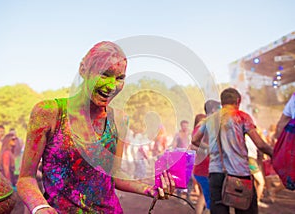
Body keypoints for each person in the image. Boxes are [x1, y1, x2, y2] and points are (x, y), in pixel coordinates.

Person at [16, 41, 175, 213]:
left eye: (120, 78)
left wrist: (148, 189)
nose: (112, 86)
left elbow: (114, 176)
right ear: (83, 70)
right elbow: (25, 178)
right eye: (104, 74)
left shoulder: (119, 120)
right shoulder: (49, 113)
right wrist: (39, 207)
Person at [192, 87, 273, 214]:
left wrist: (210, 150)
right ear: (238, 101)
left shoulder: (210, 119)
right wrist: (274, 154)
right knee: (246, 210)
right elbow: (260, 144)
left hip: (216, 174)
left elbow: (195, 140)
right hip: (240, 174)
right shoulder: (242, 117)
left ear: (222, 101)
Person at [193, 100, 220, 214]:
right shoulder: (208, 125)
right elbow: (193, 143)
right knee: (211, 203)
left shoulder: (201, 126)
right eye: (219, 108)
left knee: (204, 197)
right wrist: (210, 150)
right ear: (213, 110)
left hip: (201, 168)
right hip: (206, 169)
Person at [245, 135, 269, 208]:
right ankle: (256, 201)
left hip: (250, 159)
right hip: (251, 160)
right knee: (261, 182)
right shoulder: (250, 137)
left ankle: (252, 200)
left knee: (254, 182)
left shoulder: (244, 137)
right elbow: (261, 146)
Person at [172, 120, 192, 201]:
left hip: (189, 157)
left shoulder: (190, 134)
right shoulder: (178, 134)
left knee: (189, 176)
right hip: (180, 157)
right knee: (180, 176)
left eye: (186, 125)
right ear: (181, 126)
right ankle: (179, 194)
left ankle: (188, 195)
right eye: (183, 125)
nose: (185, 127)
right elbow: (174, 144)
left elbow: (192, 144)